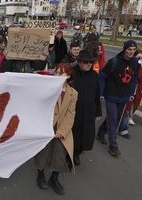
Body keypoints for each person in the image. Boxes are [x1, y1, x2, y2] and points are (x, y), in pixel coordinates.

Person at [34, 63, 77, 195]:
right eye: (56, 72)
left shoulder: (73, 93)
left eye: (61, 73)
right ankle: (40, 175)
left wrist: (62, 131)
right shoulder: (49, 88)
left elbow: (71, 114)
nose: (57, 75)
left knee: (60, 155)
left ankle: (54, 178)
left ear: (68, 76)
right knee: (43, 153)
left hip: (62, 129)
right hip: (46, 127)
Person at [97, 40, 139, 156]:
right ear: (124, 49)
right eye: (129, 49)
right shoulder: (113, 62)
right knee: (114, 120)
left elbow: (134, 79)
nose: (131, 52)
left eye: (133, 49)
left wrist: (131, 93)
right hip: (111, 95)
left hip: (124, 96)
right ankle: (113, 145)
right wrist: (101, 93)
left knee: (113, 118)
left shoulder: (136, 63)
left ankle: (101, 132)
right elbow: (102, 77)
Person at [71, 50, 102, 165]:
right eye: (86, 62)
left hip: (89, 110)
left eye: (91, 62)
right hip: (75, 111)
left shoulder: (94, 75)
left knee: (86, 135)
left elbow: (97, 93)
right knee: (74, 133)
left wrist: (98, 110)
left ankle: (77, 153)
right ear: (79, 62)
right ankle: (71, 153)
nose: (89, 64)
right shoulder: (72, 73)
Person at [117, 50, 142, 138]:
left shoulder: (140, 68)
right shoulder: (131, 66)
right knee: (120, 110)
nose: (140, 60)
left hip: (134, 93)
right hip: (125, 92)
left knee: (128, 111)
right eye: (139, 58)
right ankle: (118, 126)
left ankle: (124, 128)